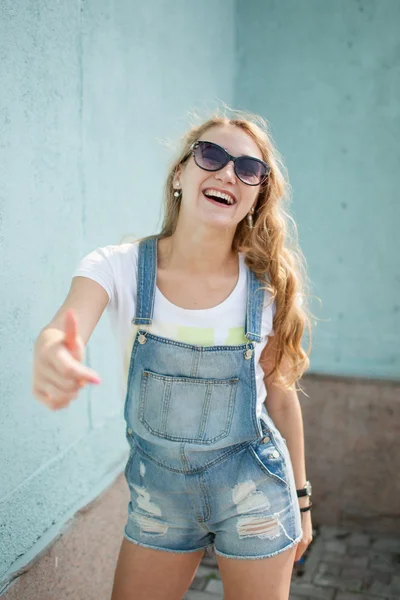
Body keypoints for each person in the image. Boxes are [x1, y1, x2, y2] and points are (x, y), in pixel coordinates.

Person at [32, 108, 314, 600]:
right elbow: (64, 326)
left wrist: (302, 500)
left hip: (254, 495)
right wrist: (54, 350)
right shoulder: (117, 267)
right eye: (212, 155)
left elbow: (280, 396)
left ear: (255, 197)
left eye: (248, 169)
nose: (228, 172)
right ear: (180, 173)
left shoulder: (265, 288)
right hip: (158, 499)